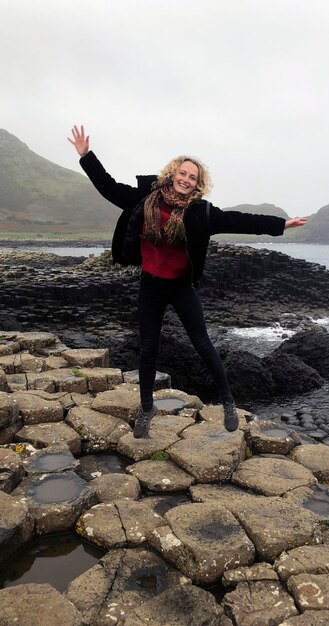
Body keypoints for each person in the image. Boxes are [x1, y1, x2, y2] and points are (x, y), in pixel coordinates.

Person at [68, 125, 306, 437]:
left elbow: (239, 220)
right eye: (183, 173)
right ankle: (146, 409)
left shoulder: (200, 212)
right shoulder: (146, 197)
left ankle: (228, 401)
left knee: (203, 343)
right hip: (151, 285)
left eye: (193, 177)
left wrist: (281, 225)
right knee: (148, 349)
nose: (186, 179)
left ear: (198, 183)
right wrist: (86, 156)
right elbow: (109, 187)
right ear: (173, 172)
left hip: (181, 287)